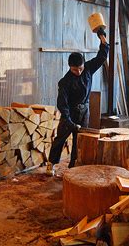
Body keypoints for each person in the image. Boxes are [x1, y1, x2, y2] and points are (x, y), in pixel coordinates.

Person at [47, 28, 109, 175]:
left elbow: (102, 56)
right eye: (75, 70)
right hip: (70, 112)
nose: (79, 72)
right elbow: (62, 104)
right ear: (70, 67)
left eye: (80, 69)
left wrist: (102, 38)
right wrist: (68, 121)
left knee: (79, 140)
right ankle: (51, 163)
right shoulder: (65, 82)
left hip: (84, 111)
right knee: (61, 138)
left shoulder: (88, 68)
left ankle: (73, 167)